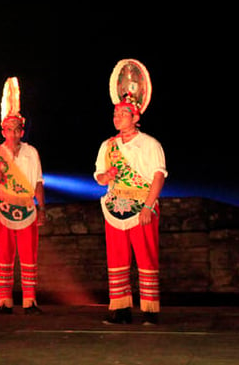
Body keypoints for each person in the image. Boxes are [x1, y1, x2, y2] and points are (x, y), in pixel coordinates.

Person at [94, 59, 166, 326]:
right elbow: (100, 178)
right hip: (114, 207)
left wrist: (148, 206)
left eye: (122, 115)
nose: (117, 119)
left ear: (135, 116)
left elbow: (158, 176)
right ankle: (120, 309)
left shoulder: (149, 144)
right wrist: (107, 176)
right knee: (117, 258)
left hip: (141, 206)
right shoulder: (108, 145)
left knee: (146, 256)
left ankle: (150, 310)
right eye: (115, 115)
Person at [0, 77, 45, 315]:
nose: (13, 133)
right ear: (3, 130)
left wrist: (42, 208)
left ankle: (30, 300)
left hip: (27, 207)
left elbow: (38, 181)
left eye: (17, 129)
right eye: (9, 129)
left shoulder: (31, 152)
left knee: (29, 254)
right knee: (4, 253)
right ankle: (5, 300)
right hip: (4, 207)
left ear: (22, 130)